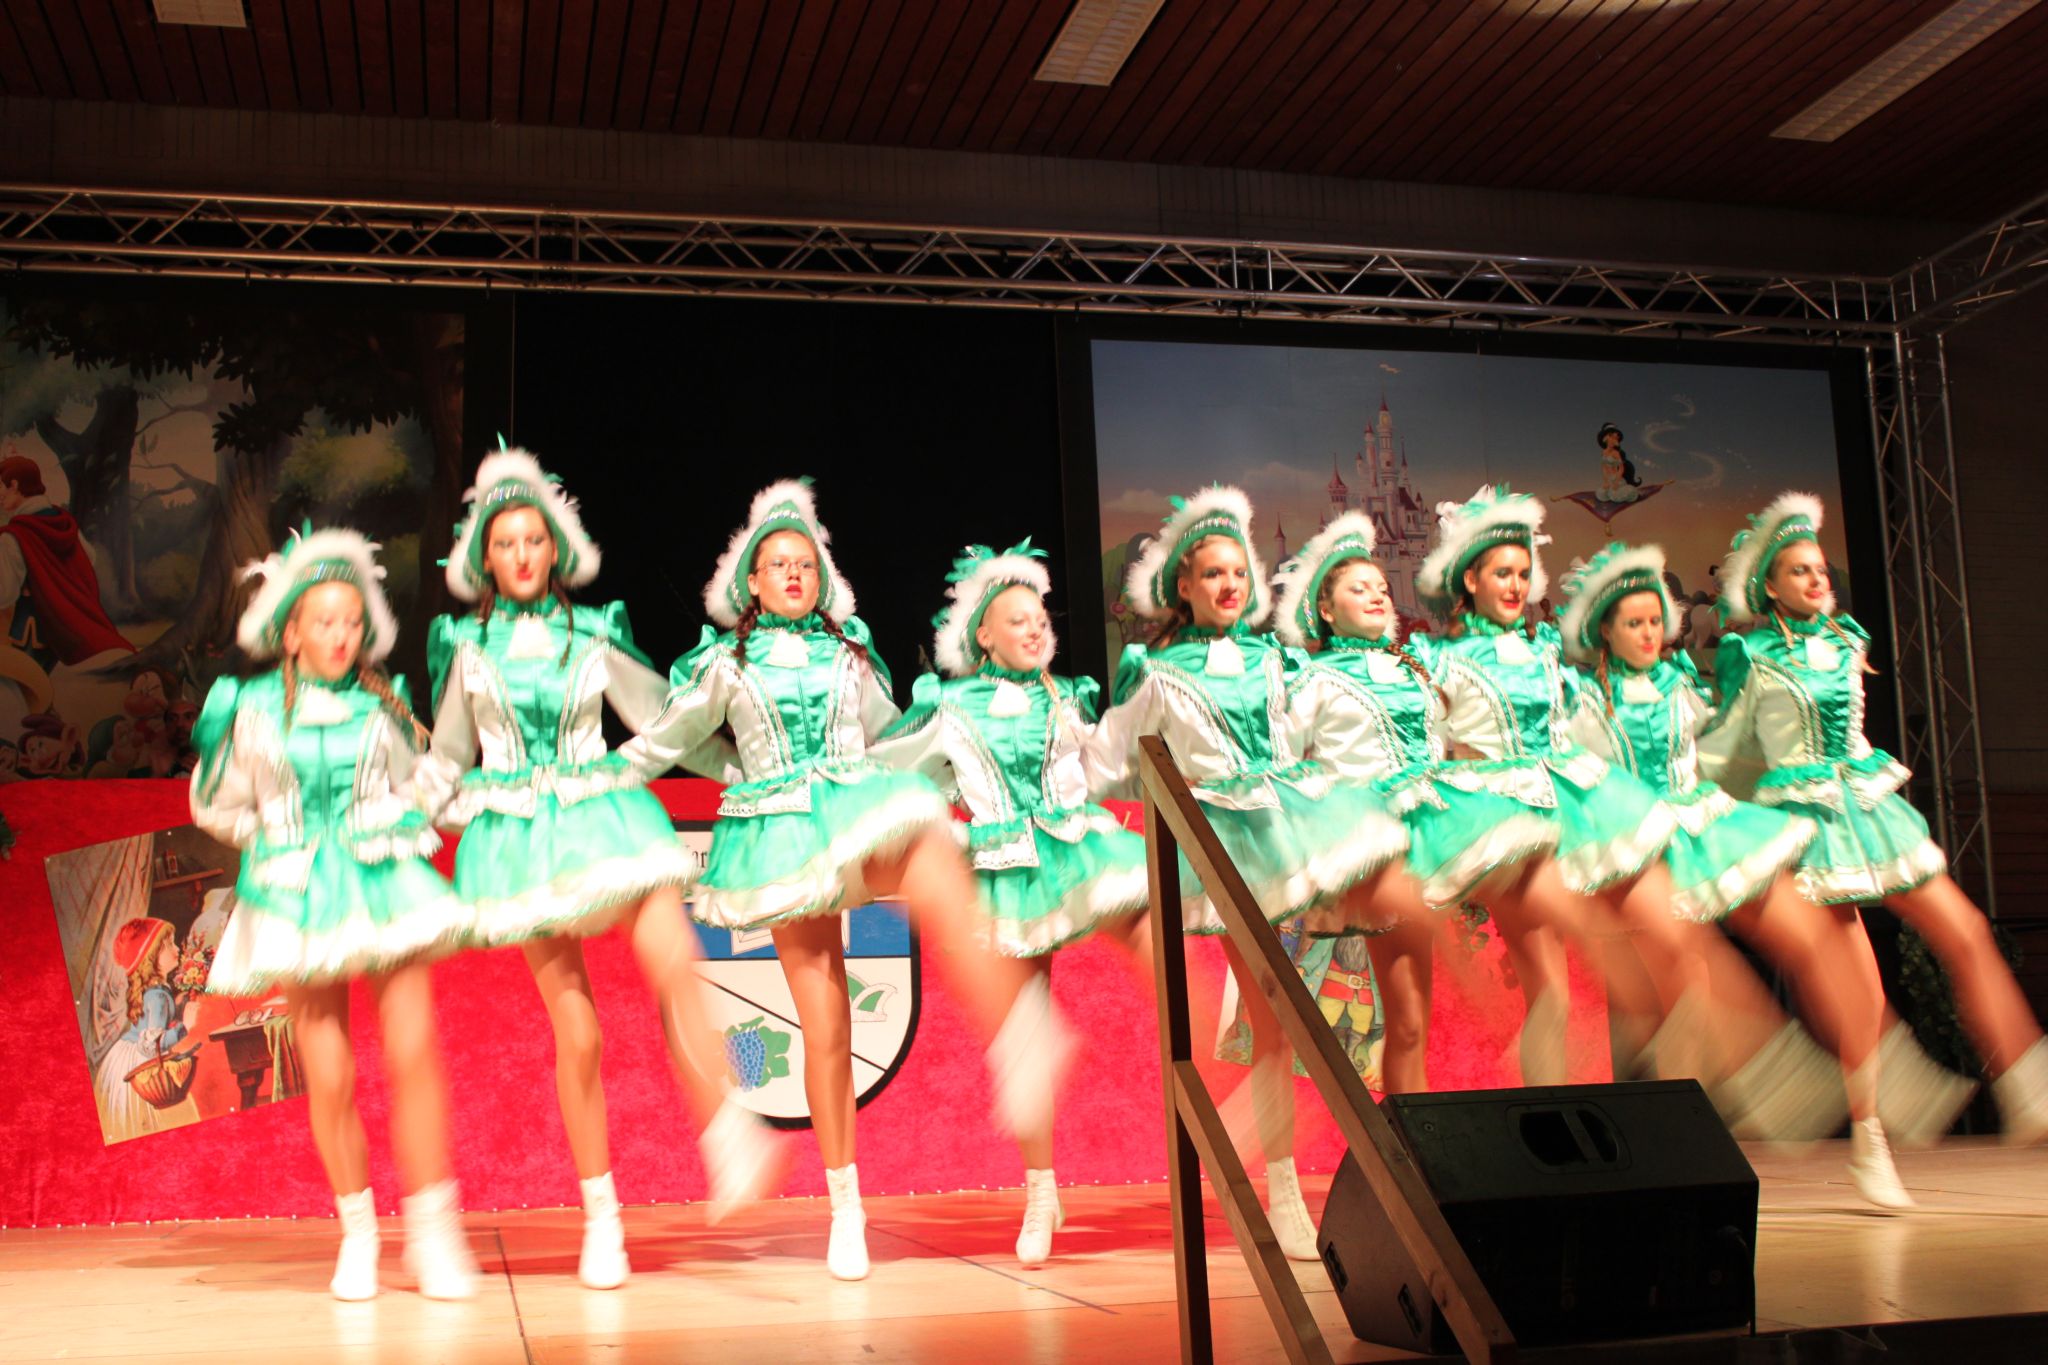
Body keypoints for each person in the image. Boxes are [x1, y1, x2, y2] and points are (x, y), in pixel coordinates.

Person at [621, 480, 1074, 1280]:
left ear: (822, 577)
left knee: (927, 850)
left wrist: (957, 758)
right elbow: (667, 737)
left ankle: (1020, 1036)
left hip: (853, 805)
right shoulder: (725, 663)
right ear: (751, 583)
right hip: (781, 838)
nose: (794, 573)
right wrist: (626, 777)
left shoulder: (849, 654)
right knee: (825, 1023)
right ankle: (845, 1207)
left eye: (805, 563)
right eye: (778, 564)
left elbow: (891, 737)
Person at [418, 446, 780, 1289]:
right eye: (504, 543)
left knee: (675, 961)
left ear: (555, 549)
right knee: (579, 1034)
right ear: (484, 558)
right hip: (521, 841)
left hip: (605, 815)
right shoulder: (467, 649)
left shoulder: (593, 635)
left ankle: (728, 1124)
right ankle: (602, 1215)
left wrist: (745, 770)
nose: (520, 555)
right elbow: (446, 758)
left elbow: (666, 721)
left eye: (532, 540)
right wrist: (407, 812)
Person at [1083, 486, 1412, 1261]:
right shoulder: (1158, 673)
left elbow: (1300, 740)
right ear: (1184, 586)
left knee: (1289, 1017)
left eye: (1239, 572)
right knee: (1273, 1009)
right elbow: (1107, 756)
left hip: (1288, 827)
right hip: (1221, 847)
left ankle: (1287, 1177)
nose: (1230, 584)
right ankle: (1278, 1187)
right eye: (1213, 574)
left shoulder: (1273, 660)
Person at [1700, 492, 2047, 1145]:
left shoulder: (1847, 640)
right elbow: (1729, 751)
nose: (1816, 578)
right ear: (1770, 586)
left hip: (1869, 806)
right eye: (1799, 570)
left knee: (1967, 931)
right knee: (1859, 985)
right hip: (1809, 822)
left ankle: (2030, 1087)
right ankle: (1871, 1133)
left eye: (1819, 567)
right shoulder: (1752, 656)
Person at [190, 526, 477, 1301]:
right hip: (297, 894)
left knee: (414, 1053)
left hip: (382, 880)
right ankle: (359, 1232)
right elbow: (215, 803)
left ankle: (434, 1231)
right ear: (291, 632)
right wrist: (273, 839)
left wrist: (460, 804)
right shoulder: (251, 709)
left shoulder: (380, 706)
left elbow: (427, 788)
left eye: (352, 620)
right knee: (330, 1072)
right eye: (325, 621)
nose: (342, 635)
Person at [873, 540, 1149, 1266]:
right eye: (1016, 620)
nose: (1033, 629)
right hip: (1006, 868)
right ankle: (1040, 1189)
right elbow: (888, 768)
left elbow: (1105, 769)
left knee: (1153, 932)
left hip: (1077, 851)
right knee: (1024, 1033)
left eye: (1040, 619)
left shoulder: (1069, 695)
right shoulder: (950, 704)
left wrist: (1133, 707)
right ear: (983, 637)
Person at [1273, 513, 1558, 1095]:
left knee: (1409, 1026)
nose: (1377, 596)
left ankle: (1418, 1134)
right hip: (1366, 846)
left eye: (1382, 587)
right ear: (1326, 609)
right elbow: (1281, 758)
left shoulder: (1414, 669)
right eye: (1359, 589)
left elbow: (1453, 738)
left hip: (1428, 840)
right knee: (1403, 1021)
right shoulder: (1313, 679)